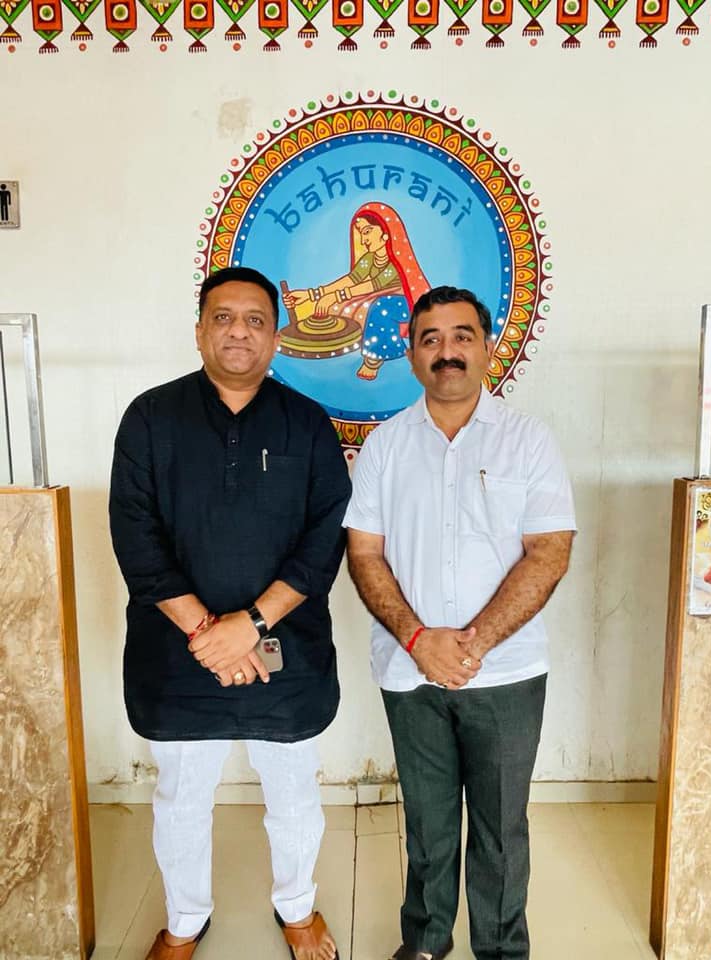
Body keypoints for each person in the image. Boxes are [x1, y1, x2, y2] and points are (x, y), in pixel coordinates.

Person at [109, 266, 351, 960]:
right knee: (181, 798)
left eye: (254, 320)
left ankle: (296, 910)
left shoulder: (307, 423)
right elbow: (135, 535)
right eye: (223, 318)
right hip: (178, 651)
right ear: (199, 332)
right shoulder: (151, 417)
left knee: (294, 794)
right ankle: (184, 921)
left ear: (276, 337)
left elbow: (325, 537)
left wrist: (251, 625)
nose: (238, 331)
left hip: (286, 649)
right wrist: (207, 632)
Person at [343, 286, 576, 960]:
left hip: (505, 674)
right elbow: (364, 553)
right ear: (412, 354)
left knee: (501, 828)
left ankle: (500, 948)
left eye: (462, 336)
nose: (447, 351)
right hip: (409, 672)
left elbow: (549, 550)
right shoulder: (385, 445)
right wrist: (420, 641)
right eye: (431, 339)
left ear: (488, 347)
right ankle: (425, 939)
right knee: (428, 822)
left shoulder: (529, 441)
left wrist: (473, 644)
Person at [282, 202, 430, 380]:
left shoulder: (395, 262)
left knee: (380, 307)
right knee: (337, 305)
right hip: (378, 297)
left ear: (385, 234)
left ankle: (374, 358)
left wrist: (334, 296)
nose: (363, 239)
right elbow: (351, 279)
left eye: (367, 231)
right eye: (360, 233)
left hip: (405, 304)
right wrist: (311, 295)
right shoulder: (369, 259)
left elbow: (372, 285)